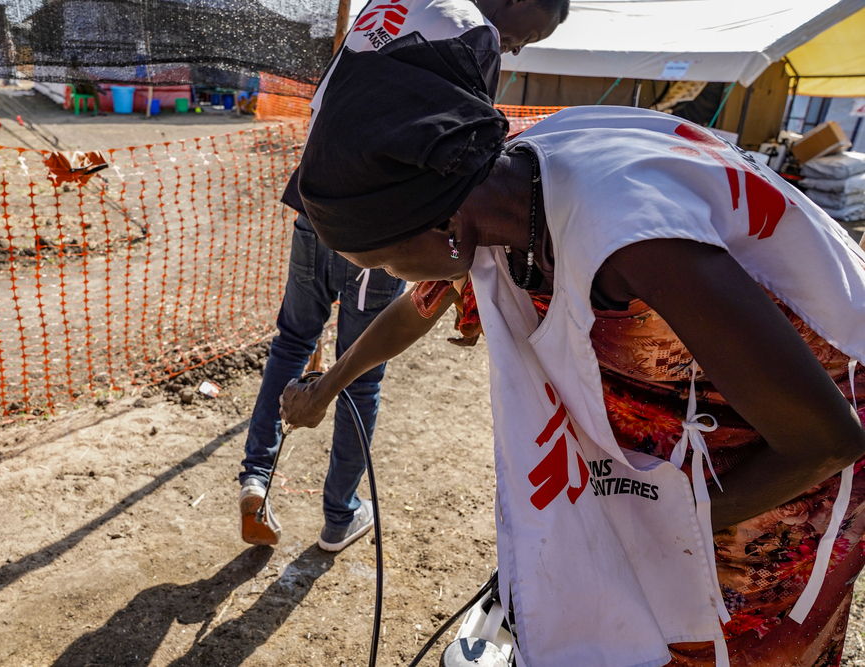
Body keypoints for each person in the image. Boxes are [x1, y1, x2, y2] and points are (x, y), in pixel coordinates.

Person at [283, 34, 865, 666]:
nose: (394, 276)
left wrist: (656, 527)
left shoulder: (636, 240)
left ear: (442, 229)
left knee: (731, 643)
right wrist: (329, 385)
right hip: (685, 458)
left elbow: (826, 441)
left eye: (380, 262)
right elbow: (420, 305)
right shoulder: (488, 193)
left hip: (791, 472)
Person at [239, 0, 572, 552]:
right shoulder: (474, 32)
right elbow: (459, 173)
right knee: (360, 371)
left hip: (315, 197)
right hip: (377, 214)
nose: (516, 49)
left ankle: (255, 477)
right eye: (527, 36)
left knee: (294, 339)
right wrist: (459, 276)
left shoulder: (396, 3)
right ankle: (340, 514)